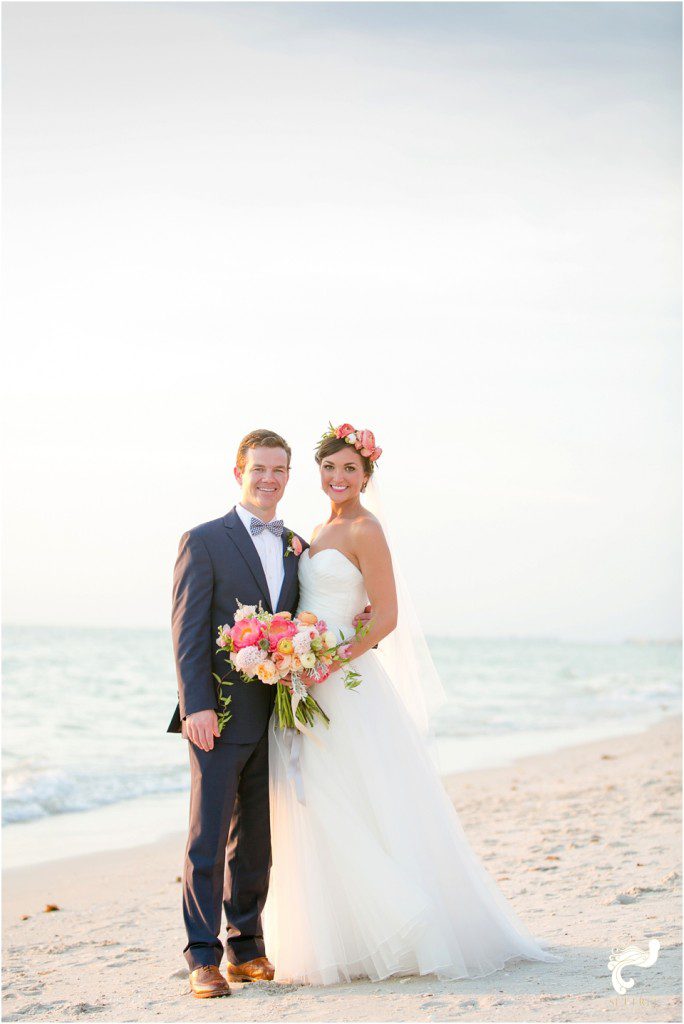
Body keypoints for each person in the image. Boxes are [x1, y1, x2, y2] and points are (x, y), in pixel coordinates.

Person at [263, 423, 562, 985]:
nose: (338, 477)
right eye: (330, 467)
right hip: (304, 677)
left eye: (350, 468)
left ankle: (402, 923)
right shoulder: (320, 528)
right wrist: (290, 653)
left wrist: (330, 659)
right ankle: (344, 936)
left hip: (343, 680)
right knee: (318, 803)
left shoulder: (366, 529)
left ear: (367, 474)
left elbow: (387, 615)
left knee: (350, 796)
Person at [168, 428, 307, 998]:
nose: (268, 479)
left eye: (278, 470)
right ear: (238, 473)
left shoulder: (297, 545)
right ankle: (202, 956)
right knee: (207, 834)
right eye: (258, 470)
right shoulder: (203, 540)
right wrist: (195, 704)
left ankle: (245, 948)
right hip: (218, 715)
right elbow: (187, 630)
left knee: (255, 839)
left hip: (275, 714)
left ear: (287, 476)